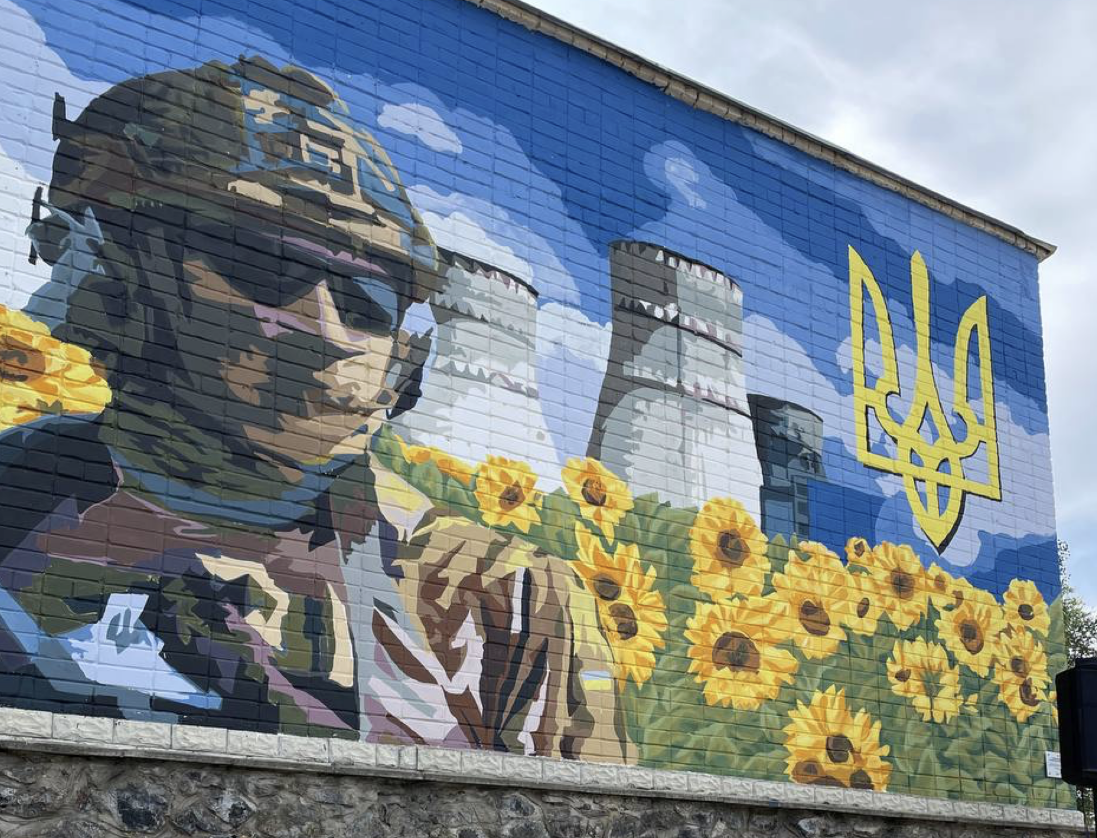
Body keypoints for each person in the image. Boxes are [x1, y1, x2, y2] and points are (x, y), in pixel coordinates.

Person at [0, 56, 627, 761]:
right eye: (264, 267)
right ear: (106, 266)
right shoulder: (16, 496)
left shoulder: (501, 595)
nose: (327, 330)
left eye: (368, 301)